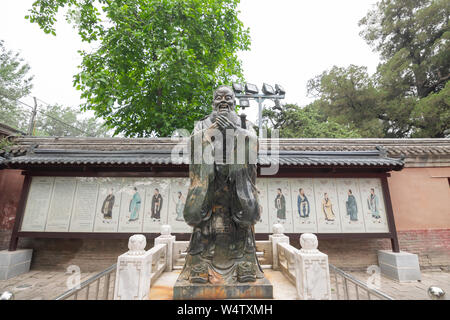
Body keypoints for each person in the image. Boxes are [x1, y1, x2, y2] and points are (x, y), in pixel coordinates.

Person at [180, 85, 263, 285]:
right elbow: (192, 145)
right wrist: (212, 130)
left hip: (236, 185)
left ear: (234, 101)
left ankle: (244, 265)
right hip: (210, 186)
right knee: (204, 228)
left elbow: (254, 142)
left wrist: (234, 130)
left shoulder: (244, 123)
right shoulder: (202, 124)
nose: (223, 101)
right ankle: (200, 266)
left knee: (241, 224)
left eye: (228, 97)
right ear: (213, 102)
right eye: (219, 98)